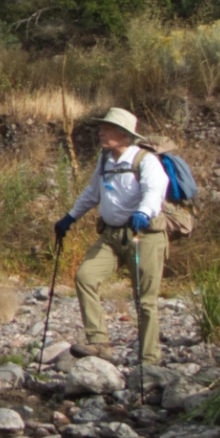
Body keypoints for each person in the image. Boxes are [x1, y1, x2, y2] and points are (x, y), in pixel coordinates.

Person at [53, 107, 167, 365]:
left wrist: (144, 212)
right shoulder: (105, 160)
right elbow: (93, 193)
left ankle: (149, 360)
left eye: (107, 128)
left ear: (125, 135)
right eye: (102, 128)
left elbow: (155, 190)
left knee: (144, 300)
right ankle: (98, 343)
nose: (101, 132)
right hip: (111, 236)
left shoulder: (146, 161)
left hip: (144, 236)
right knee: (85, 276)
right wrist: (70, 217)